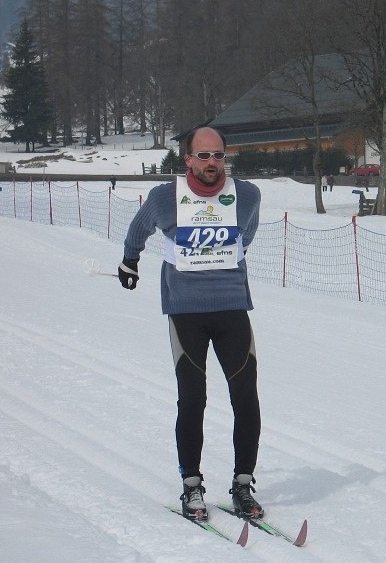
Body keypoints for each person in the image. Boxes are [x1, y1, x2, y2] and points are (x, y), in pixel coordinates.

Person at [118, 126, 263, 522]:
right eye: (203, 155)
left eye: (218, 155)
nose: (212, 162)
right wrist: (130, 260)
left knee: (245, 397)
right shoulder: (164, 198)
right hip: (185, 311)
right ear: (187, 159)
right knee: (193, 398)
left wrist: (218, 255)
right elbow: (139, 228)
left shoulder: (247, 195)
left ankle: (242, 484)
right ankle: (192, 485)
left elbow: (246, 235)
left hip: (232, 306)